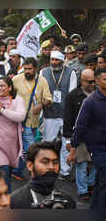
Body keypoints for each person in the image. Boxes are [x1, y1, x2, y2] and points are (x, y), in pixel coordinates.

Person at [67, 68, 106, 209]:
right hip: (98, 149)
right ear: (97, 81)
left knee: (101, 183)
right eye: (105, 79)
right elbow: (80, 127)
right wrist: (72, 150)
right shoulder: (90, 101)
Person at [12, 57, 52, 180]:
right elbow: (9, 96)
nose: (27, 71)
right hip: (21, 121)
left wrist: (41, 105)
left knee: (25, 150)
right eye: (25, 69)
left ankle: (16, 170)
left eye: (29, 69)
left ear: (35, 69)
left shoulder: (42, 81)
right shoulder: (16, 79)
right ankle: (39, 174)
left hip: (35, 121)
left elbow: (49, 99)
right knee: (32, 148)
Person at [41, 50, 77, 181]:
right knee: (48, 143)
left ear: (62, 61)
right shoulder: (44, 72)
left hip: (66, 114)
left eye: (57, 60)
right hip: (49, 113)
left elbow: (72, 94)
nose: (54, 63)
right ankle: (46, 168)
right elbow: (41, 92)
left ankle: (65, 171)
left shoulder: (70, 72)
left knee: (66, 142)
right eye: (52, 60)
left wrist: (71, 113)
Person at [10, 141, 76, 209]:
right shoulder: (14, 202)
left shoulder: (68, 202)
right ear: (30, 166)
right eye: (45, 162)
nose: (51, 167)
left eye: (55, 162)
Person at [63, 69, 96, 202]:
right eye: (90, 81)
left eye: (94, 81)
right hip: (79, 135)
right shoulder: (72, 96)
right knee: (81, 164)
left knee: (95, 163)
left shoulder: (99, 94)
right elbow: (68, 118)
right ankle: (82, 190)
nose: (93, 84)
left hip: (96, 135)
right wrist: (68, 139)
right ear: (82, 80)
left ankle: (90, 184)